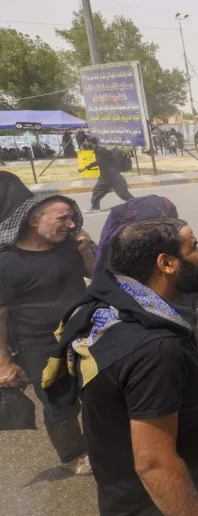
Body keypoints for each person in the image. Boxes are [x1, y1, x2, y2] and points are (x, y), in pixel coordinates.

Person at [43, 218, 198, 515]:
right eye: (194, 247)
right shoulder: (156, 350)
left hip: (121, 489)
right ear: (166, 263)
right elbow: (154, 464)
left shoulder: (106, 305)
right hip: (166, 499)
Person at [0, 195, 93, 474]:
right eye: (62, 218)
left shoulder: (71, 248)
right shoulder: (7, 262)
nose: (71, 224)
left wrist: (87, 251)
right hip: (40, 346)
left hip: (85, 335)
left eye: (71, 217)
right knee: (60, 405)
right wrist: (3, 362)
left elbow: (96, 275)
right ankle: (73, 456)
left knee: (96, 393)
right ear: (34, 220)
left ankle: (99, 442)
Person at [80, 136, 135, 211]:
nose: (85, 144)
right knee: (97, 191)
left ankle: (137, 203)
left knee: (123, 194)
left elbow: (99, 162)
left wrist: (85, 167)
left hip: (112, 176)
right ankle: (95, 207)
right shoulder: (99, 150)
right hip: (107, 176)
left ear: (91, 143)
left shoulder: (100, 150)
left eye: (86, 142)